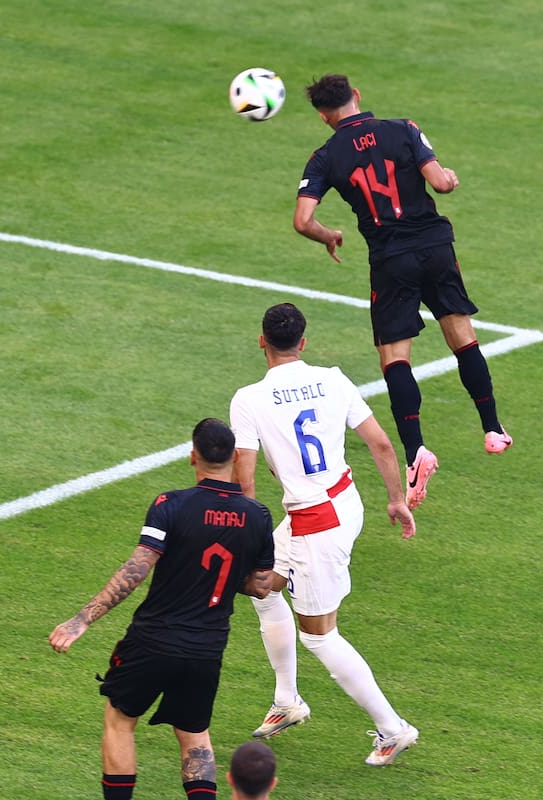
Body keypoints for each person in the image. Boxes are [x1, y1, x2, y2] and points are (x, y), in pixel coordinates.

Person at [291, 72, 513, 510]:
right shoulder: (404, 129)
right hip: (434, 246)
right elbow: (441, 183)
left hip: (391, 259)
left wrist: (328, 234)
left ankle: (416, 453)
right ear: (357, 96)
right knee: (462, 335)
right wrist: (449, 176)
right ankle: (492, 428)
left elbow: (302, 220)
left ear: (322, 116)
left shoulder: (324, 157)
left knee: (395, 356)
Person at [229, 302, 421, 767]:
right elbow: (378, 442)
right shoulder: (333, 378)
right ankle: (287, 700)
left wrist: (246, 536)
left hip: (316, 523)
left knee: (319, 635)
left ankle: (394, 729)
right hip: (344, 501)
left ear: (262, 341)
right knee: (259, 586)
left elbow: (246, 481)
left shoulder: (249, 399)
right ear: (303, 341)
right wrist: (396, 500)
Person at [49, 418, 275, 800]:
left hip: (152, 640)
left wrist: (82, 618)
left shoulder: (171, 505)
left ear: (193, 457)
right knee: (194, 735)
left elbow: (136, 570)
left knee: (120, 722)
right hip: (207, 648)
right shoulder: (258, 515)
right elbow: (260, 585)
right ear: (236, 457)